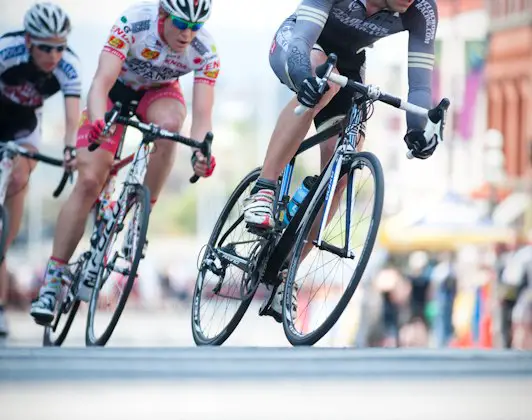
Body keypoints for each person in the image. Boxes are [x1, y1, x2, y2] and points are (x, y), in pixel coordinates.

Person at [245, 0, 440, 321]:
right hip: (300, 44)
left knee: (342, 169)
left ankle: (285, 271)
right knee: (323, 81)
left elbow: (419, 85)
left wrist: (418, 130)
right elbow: (301, 42)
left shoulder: (422, 9)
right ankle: (264, 189)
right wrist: (304, 75)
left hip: (349, 63)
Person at [30, 0, 218, 325]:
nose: (188, 33)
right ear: (162, 15)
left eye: (195, 26)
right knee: (89, 181)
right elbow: (101, 82)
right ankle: (54, 277)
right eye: (180, 23)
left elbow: (202, 118)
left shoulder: (205, 49)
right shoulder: (134, 23)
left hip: (158, 95)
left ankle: (138, 217)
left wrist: (202, 152)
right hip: (114, 93)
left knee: (171, 127)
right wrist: (98, 122)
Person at [0, 2, 80, 336]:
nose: (53, 54)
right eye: (46, 47)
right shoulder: (7, 50)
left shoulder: (69, 66)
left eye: (59, 47)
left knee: (19, 177)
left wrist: (70, 148)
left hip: (24, 126)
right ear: (29, 40)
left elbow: (73, 120)